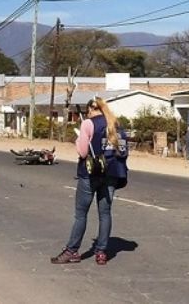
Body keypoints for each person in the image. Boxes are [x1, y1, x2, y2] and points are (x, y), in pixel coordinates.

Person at [51, 97, 128, 266]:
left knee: (81, 214)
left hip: (90, 173)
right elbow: (122, 151)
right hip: (111, 173)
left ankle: (72, 250)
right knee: (105, 213)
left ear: (90, 110)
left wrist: (79, 139)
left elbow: (83, 152)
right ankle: (101, 252)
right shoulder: (116, 124)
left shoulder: (88, 124)